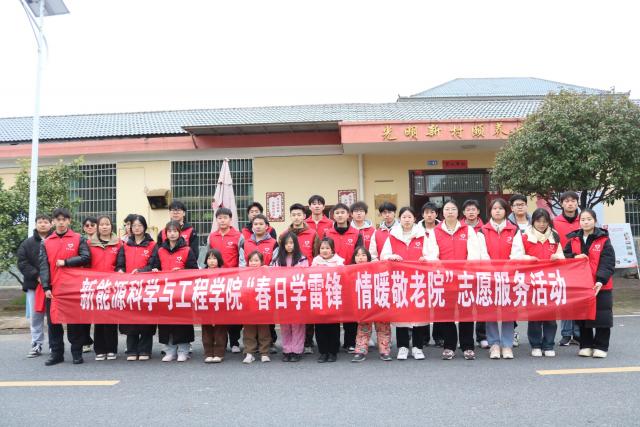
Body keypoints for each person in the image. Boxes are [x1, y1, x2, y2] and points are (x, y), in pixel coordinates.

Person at [426, 200, 484, 360]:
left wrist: (466, 271)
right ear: (442, 213)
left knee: (466, 312)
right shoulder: (435, 232)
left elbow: (474, 254)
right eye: (447, 209)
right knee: (447, 313)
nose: (450, 211)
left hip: (464, 278)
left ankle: (468, 346)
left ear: (458, 212)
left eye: (453, 209)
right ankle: (449, 346)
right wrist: (443, 271)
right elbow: (432, 255)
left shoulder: (468, 230)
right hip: (445, 279)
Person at [39, 208, 91, 366]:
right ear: (53, 222)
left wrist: (66, 262)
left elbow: (86, 257)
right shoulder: (46, 242)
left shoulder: (78, 238)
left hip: (73, 288)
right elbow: (43, 266)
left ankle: (76, 353)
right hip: (54, 289)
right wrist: (46, 287)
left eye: (64, 219)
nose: (61, 222)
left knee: (75, 322)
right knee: (54, 323)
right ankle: (57, 354)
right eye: (58, 220)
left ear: (69, 221)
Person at [142, 221, 198, 362]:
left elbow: (194, 270)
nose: (172, 234)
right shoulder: (160, 250)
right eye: (169, 231)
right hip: (164, 291)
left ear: (179, 233)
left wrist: (182, 271)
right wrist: (155, 270)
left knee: (182, 322)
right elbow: (154, 266)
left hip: (181, 292)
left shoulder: (187, 250)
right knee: (166, 322)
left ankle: (184, 350)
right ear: (165, 234)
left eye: (175, 231)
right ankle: (170, 350)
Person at [380, 206, 431, 360]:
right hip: (399, 280)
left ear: (414, 219)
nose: (407, 220)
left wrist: (425, 258)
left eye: (409, 217)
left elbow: (431, 254)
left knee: (418, 315)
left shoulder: (422, 235)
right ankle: (402, 347)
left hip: (418, 280)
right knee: (401, 314)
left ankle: (417, 347)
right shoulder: (392, 235)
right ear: (399, 219)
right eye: (404, 217)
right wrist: (391, 256)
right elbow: (384, 255)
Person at [564, 209, 615, 358]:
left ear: (595, 220)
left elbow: (608, 261)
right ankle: (585, 345)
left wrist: (600, 280)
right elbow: (565, 257)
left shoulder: (604, 239)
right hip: (581, 285)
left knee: (602, 316)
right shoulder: (573, 239)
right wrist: (575, 256)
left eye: (589, 219)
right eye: (583, 219)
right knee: (582, 317)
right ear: (579, 222)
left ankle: (601, 346)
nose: (586, 222)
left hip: (601, 285)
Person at [479, 199, 524, 359]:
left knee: (508, 311)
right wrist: (491, 271)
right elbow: (482, 253)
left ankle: (507, 345)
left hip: (509, 276)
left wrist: (506, 270)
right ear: (490, 211)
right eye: (494, 208)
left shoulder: (514, 230)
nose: (497, 211)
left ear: (506, 211)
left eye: (500, 208)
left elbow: (517, 253)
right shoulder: (483, 230)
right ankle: (494, 345)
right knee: (490, 311)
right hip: (489, 277)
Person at [522, 208, 565, 357]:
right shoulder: (525, 236)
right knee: (534, 316)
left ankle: (548, 345)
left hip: (551, 281)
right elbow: (518, 255)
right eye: (538, 221)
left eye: (545, 221)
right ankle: (535, 345)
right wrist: (528, 259)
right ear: (533, 221)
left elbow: (562, 255)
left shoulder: (554, 236)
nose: (541, 224)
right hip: (532, 281)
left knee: (550, 316)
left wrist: (557, 257)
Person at [116, 215, 156, 361]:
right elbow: (120, 264)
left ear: (144, 227)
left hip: (146, 286)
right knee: (130, 318)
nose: (137, 228)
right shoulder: (125, 245)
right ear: (130, 228)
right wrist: (120, 270)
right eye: (134, 226)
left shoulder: (152, 245)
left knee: (146, 318)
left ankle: (145, 350)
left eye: (140, 225)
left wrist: (141, 271)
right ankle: (131, 349)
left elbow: (154, 265)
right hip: (129, 287)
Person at [324, 203, 363, 353]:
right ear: (333, 216)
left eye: (343, 212)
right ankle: (333, 343)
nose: (340, 215)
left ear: (348, 215)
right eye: (337, 213)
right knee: (332, 310)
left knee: (350, 311)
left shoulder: (356, 233)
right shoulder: (327, 233)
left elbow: (359, 255)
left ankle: (350, 342)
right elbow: (322, 253)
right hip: (332, 277)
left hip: (350, 276)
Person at [283, 203, 320, 355]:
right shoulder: (284, 234)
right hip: (286, 283)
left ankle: (308, 342)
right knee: (289, 314)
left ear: (304, 216)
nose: (296, 217)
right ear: (290, 216)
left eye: (299, 214)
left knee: (306, 311)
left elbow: (317, 254)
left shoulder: (313, 234)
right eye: (294, 215)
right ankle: (290, 345)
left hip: (307, 279)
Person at [208, 207, 245, 353]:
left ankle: (234, 342)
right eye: (219, 218)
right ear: (216, 220)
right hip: (216, 280)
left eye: (225, 218)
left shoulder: (238, 236)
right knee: (219, 310)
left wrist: (240, 275)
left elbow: (242, 257)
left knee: (234, 311)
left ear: (230, 219)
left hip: (233, 279)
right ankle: (221, 342)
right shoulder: (212, 236)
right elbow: (208, 256)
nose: (222, 220)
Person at [17, 213, 52, 358]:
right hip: (34, 284)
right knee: (36, 316)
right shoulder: (27, 243)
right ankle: (36, 343)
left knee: (53, 316)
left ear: (51, 224)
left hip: (53, 285)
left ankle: (54, 345)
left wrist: (48, 278)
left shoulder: (55, 240)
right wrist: (37, 276)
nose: (42, 224)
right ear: (36, 224)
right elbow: (22, 262)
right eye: (40, 222)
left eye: (45, 222)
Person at [88, 215, 122, 361]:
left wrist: (119, 271)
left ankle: (112, 349)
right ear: (98, 227)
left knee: (111, 318)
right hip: (95, 286)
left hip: (112, 285)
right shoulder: (89, 243)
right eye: (101, 224)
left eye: (107, 224)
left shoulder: (119, 244)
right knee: (98, 318)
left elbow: (121, 263)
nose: (104, 227)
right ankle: (100, 349)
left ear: (111, 226)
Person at [271, 232, 309, 362]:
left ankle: (297, 350)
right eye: (286, 243)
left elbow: (306, 276)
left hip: (297, 295)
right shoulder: (277, 260)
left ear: (295, 244)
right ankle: (287, 350)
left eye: (291, 243)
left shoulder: (302, 259)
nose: (289, 245)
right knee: (285, 325)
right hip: (283, 296)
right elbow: (273, 276)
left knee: (297, 324)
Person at [351, 246, 392, 362]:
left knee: (383, 327)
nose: (360, 258)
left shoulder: (376, 268)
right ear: (354, 258)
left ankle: (385, 350)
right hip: (363, 304)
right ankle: (360, 351)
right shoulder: (351, 270)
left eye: (363, 255)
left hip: (378, 302)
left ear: (368, 257)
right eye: (358, 255)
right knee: (363, 328)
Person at [553, 191, 582, 346]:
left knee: (578, 299)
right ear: (562, 203)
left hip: (580, 265)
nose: (570, 204)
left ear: (577, 203)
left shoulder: (583, 220)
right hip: (562, 265)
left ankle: (577, 333)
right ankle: (566, 333)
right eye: (567, 201)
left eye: (573, 201)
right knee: (565, 299)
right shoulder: (555, 222)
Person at [462, 199, 489, 349]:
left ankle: (482, 336)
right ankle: (464, 338)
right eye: (468, 209)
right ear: (463, 212)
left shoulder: (484, 228)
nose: (471, 212)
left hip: (480, 271)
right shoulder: (459, 228)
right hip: (463, 272)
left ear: (478, 211)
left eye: (474, 209)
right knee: (464, 304)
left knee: (481, 303)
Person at [312, 237, 344, 363]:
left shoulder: (339, 262)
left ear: (332, 250)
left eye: (327, 248)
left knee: (333, 326)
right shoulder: (315, 261)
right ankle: (323, 352)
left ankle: (333, 351)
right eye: (322, 248)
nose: (324, 250)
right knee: (320, 327)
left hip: (333, 297)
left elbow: (343, 277)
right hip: (319, 297)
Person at [419, 201, 443, 347]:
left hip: (438, 270)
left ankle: (439, 336)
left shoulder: (442, 228)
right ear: (422, 215)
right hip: (421, 272)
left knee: (438, 303)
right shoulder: (416, 229)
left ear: (436, 214)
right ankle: (424, 336)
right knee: (423, 303)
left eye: (432, 212)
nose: (429, 215)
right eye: (426, 212)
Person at [242, 251, 273, 364]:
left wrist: (267, 270)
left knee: (264, 330)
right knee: (249, 331)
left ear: (261, 262)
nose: (253, 263)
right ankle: (249, 353)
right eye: (251, 260)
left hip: (262, 305)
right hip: (248, 306)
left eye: (256, 260)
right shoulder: (244, 273)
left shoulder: (266, 272)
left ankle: (264, 353)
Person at [201, 249, 228, 363]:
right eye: (209, 258)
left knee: (220, 329)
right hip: (205, 304)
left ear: (219, 260)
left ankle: (219, 353)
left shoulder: (225, 273)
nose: (211, 261)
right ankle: (208, 352)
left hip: (219, 304)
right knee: (206, 329)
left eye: (214, 258)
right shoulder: (200, 273)